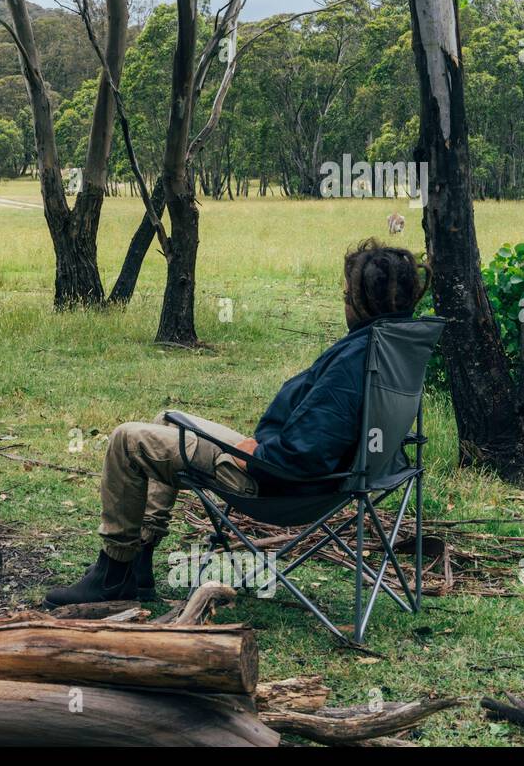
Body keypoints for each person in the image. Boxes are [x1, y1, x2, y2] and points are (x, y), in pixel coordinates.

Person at [45, 239, 432, 607]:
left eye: (347, 295)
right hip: (308, 472)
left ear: (364, 301)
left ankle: (113, 572)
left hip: (273, 479)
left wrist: (256, 456)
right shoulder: (392, 345)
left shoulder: (353, 363)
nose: (343, 301)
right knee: (165, 419)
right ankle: (139, 566)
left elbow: (307, 452)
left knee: (127, 440)